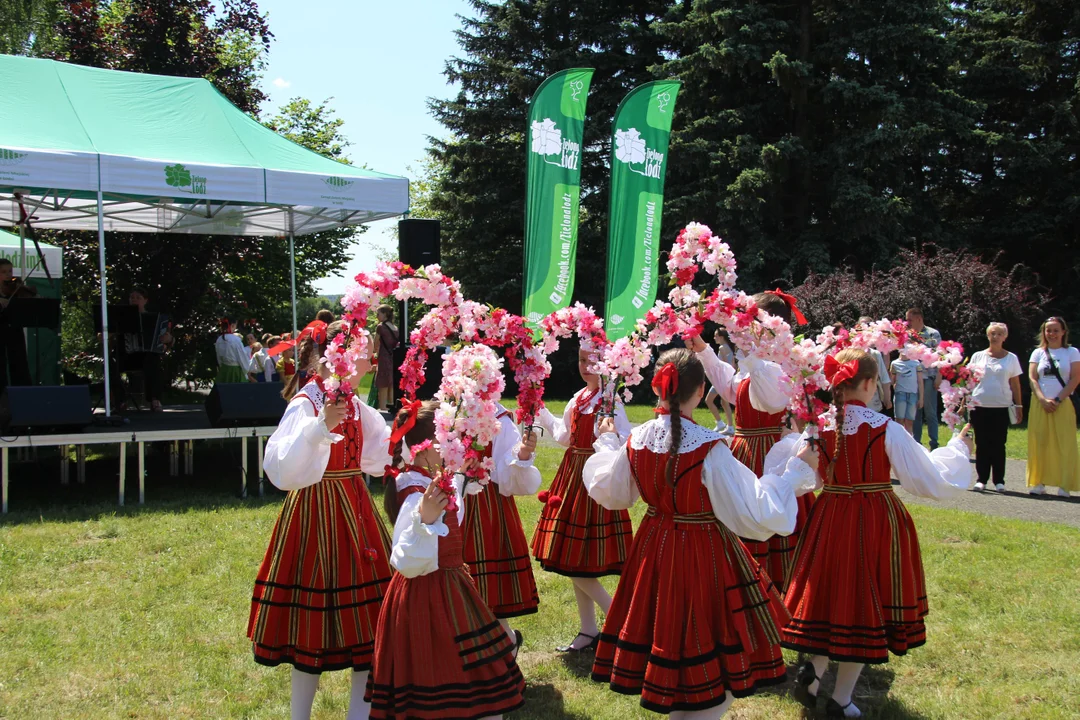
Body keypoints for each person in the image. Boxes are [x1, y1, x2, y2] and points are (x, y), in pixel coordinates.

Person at [582, 349, 819, 717]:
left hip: (654, 547)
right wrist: (791, 474)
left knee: (673, 644)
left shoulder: (639, 439)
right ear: (700, 390)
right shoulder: (708, 447)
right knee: (713, 661)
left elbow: (612, 492)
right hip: (703, 553)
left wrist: (609, 442)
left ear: (658, 387)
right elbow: (755, 511)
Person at [782, 348, 973, 719]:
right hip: (872, 520)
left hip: (830, 515)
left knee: (830, 596)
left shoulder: (819, 425)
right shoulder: (884, 427)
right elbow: (925, 478)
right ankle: (841, 699)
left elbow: (809, 477)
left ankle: (815, 675)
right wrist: (957, 449)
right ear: (869, 384)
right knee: (862, 604)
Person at [248, 322, 392, 720]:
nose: (372, 359)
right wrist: (319, 426)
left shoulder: (361, 408)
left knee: (368, 625)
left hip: (356, 509)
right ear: (338, 356)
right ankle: (299, 715)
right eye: (366, 350)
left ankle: (358, 716)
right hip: (314, 513)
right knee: (308, 625)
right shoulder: (308, 402)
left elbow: (377, 461)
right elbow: (280, 469)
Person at [367, 401, 526, 719]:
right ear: (426, 448)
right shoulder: (416, 491)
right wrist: (424, 520)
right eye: (448, 438)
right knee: (445, 684)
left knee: (483, 678)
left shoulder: (433, 479)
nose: (456, 444)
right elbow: (406, 559)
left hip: (452, 585)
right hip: (426, 595)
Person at [688, 290, 811, 595]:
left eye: (749, 321)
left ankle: (776, 592)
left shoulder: (778, 366)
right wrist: (704, 350)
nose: (741, 328)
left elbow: (770, 400)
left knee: (768, 515)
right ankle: (747, 587)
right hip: (745, 451)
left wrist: (753, 357)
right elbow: (731, 389)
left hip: (768, 454)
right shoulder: (755, 362)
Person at [533, 347, 632, 652]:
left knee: (574, 563)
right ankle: (589, 630)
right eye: (582, 359)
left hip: (594, 477)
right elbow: (564, 436)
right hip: (572, 475)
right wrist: (540, 410)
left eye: (594, 360)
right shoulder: (579, 397)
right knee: (572, 560)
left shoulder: (610, 399)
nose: (587, 365)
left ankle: (621, 620)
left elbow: (626, 440)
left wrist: (608, 438)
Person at [462, 404, 542, 653]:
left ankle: (505, 642)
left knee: (482, 578)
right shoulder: (450, 408)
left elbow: (506, 472)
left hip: (486, 504)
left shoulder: (499, 418)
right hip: (452, 497)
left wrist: (522, 455)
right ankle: (493, 643)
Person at [1026, 316, 1080, 497]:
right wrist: (1042, 399)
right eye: (1048, 330)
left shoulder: (1072, 352)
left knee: (1065, 444)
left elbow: (1075, 378)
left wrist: (1057, 400)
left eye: (1056, 330)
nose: (1052, 334)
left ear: (1063, 332)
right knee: (1039, 442)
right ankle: (1038, 482)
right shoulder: (1038, 353)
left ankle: (1064, 485)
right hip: (1040, 404)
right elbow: (1033, 378)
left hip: (1062, 403)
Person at [969, 322, 1024, 492]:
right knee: (981, 443)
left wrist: (1019, 405)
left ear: (1005, 337)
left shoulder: (1011, 358)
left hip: (1001, 406)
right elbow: (969, 381)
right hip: (980, 405)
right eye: (992, 333)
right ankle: (981, 479)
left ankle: (999, 480)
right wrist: (964, 401)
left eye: (999, 334)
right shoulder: (978, 356)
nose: (995, 337)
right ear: (987, 335)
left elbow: (1015, 384)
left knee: (999, 443)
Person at [907, 308, 942, 449]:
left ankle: (934, 444)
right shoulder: (908, 335)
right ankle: (917, 444)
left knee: (930, 410)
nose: (907, 322)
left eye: (910, 319)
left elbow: (940, 355)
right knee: (916, 411)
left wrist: (939, 376)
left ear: (919, 319)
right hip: (913, 378)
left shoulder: (933, 334)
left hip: (929, 376)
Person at [0, 258, 33, 392]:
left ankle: (22, 392)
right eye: (3, 272)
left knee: (19, 361)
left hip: (14, 328)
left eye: (10, 271)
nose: (8, 275)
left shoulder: (15, 287)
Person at [857, 316, 892, 414]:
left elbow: (884, 378)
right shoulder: (850, 352)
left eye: (868, 325)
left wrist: (887, 399)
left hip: (873, 400)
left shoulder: (875, 354)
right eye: (862, 325)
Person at [704, 328, 736, 434]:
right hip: (725, 378)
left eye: (716, 336)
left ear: (721, 337)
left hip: (722, 379)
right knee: (724, 402)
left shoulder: (722, 348)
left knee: (709, 400)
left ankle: (722, 424)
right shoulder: (728, 347)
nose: (714, 338)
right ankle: (728, 426)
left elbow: (727, 365)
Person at [890, 348, 924, 435]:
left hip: (913, 395)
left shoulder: (916, 363)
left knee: (910, 422)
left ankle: (909, 443)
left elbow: (920, 382)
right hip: (900, 394)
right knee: (899, 421)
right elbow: (892, 380)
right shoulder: (894, 363)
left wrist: (921, 398)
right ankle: (898, 442)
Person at [374, 305, 399, 411]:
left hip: (384, 358)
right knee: (391, 383)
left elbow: (375, 344)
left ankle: (383, 408)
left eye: (378, 313)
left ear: (385, 314)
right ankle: (392, 406)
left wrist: (376, 353)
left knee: (383, 384)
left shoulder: (381, 327)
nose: (377, 316)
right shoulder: (396, 328)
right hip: (393, 358)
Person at [214, 318, 252, 383]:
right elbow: (242, 357)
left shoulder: (219, 339)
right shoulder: (235, 339)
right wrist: (246, 369)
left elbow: (219, 357)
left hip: (224, 370)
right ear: (232, 325)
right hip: (235, 371)